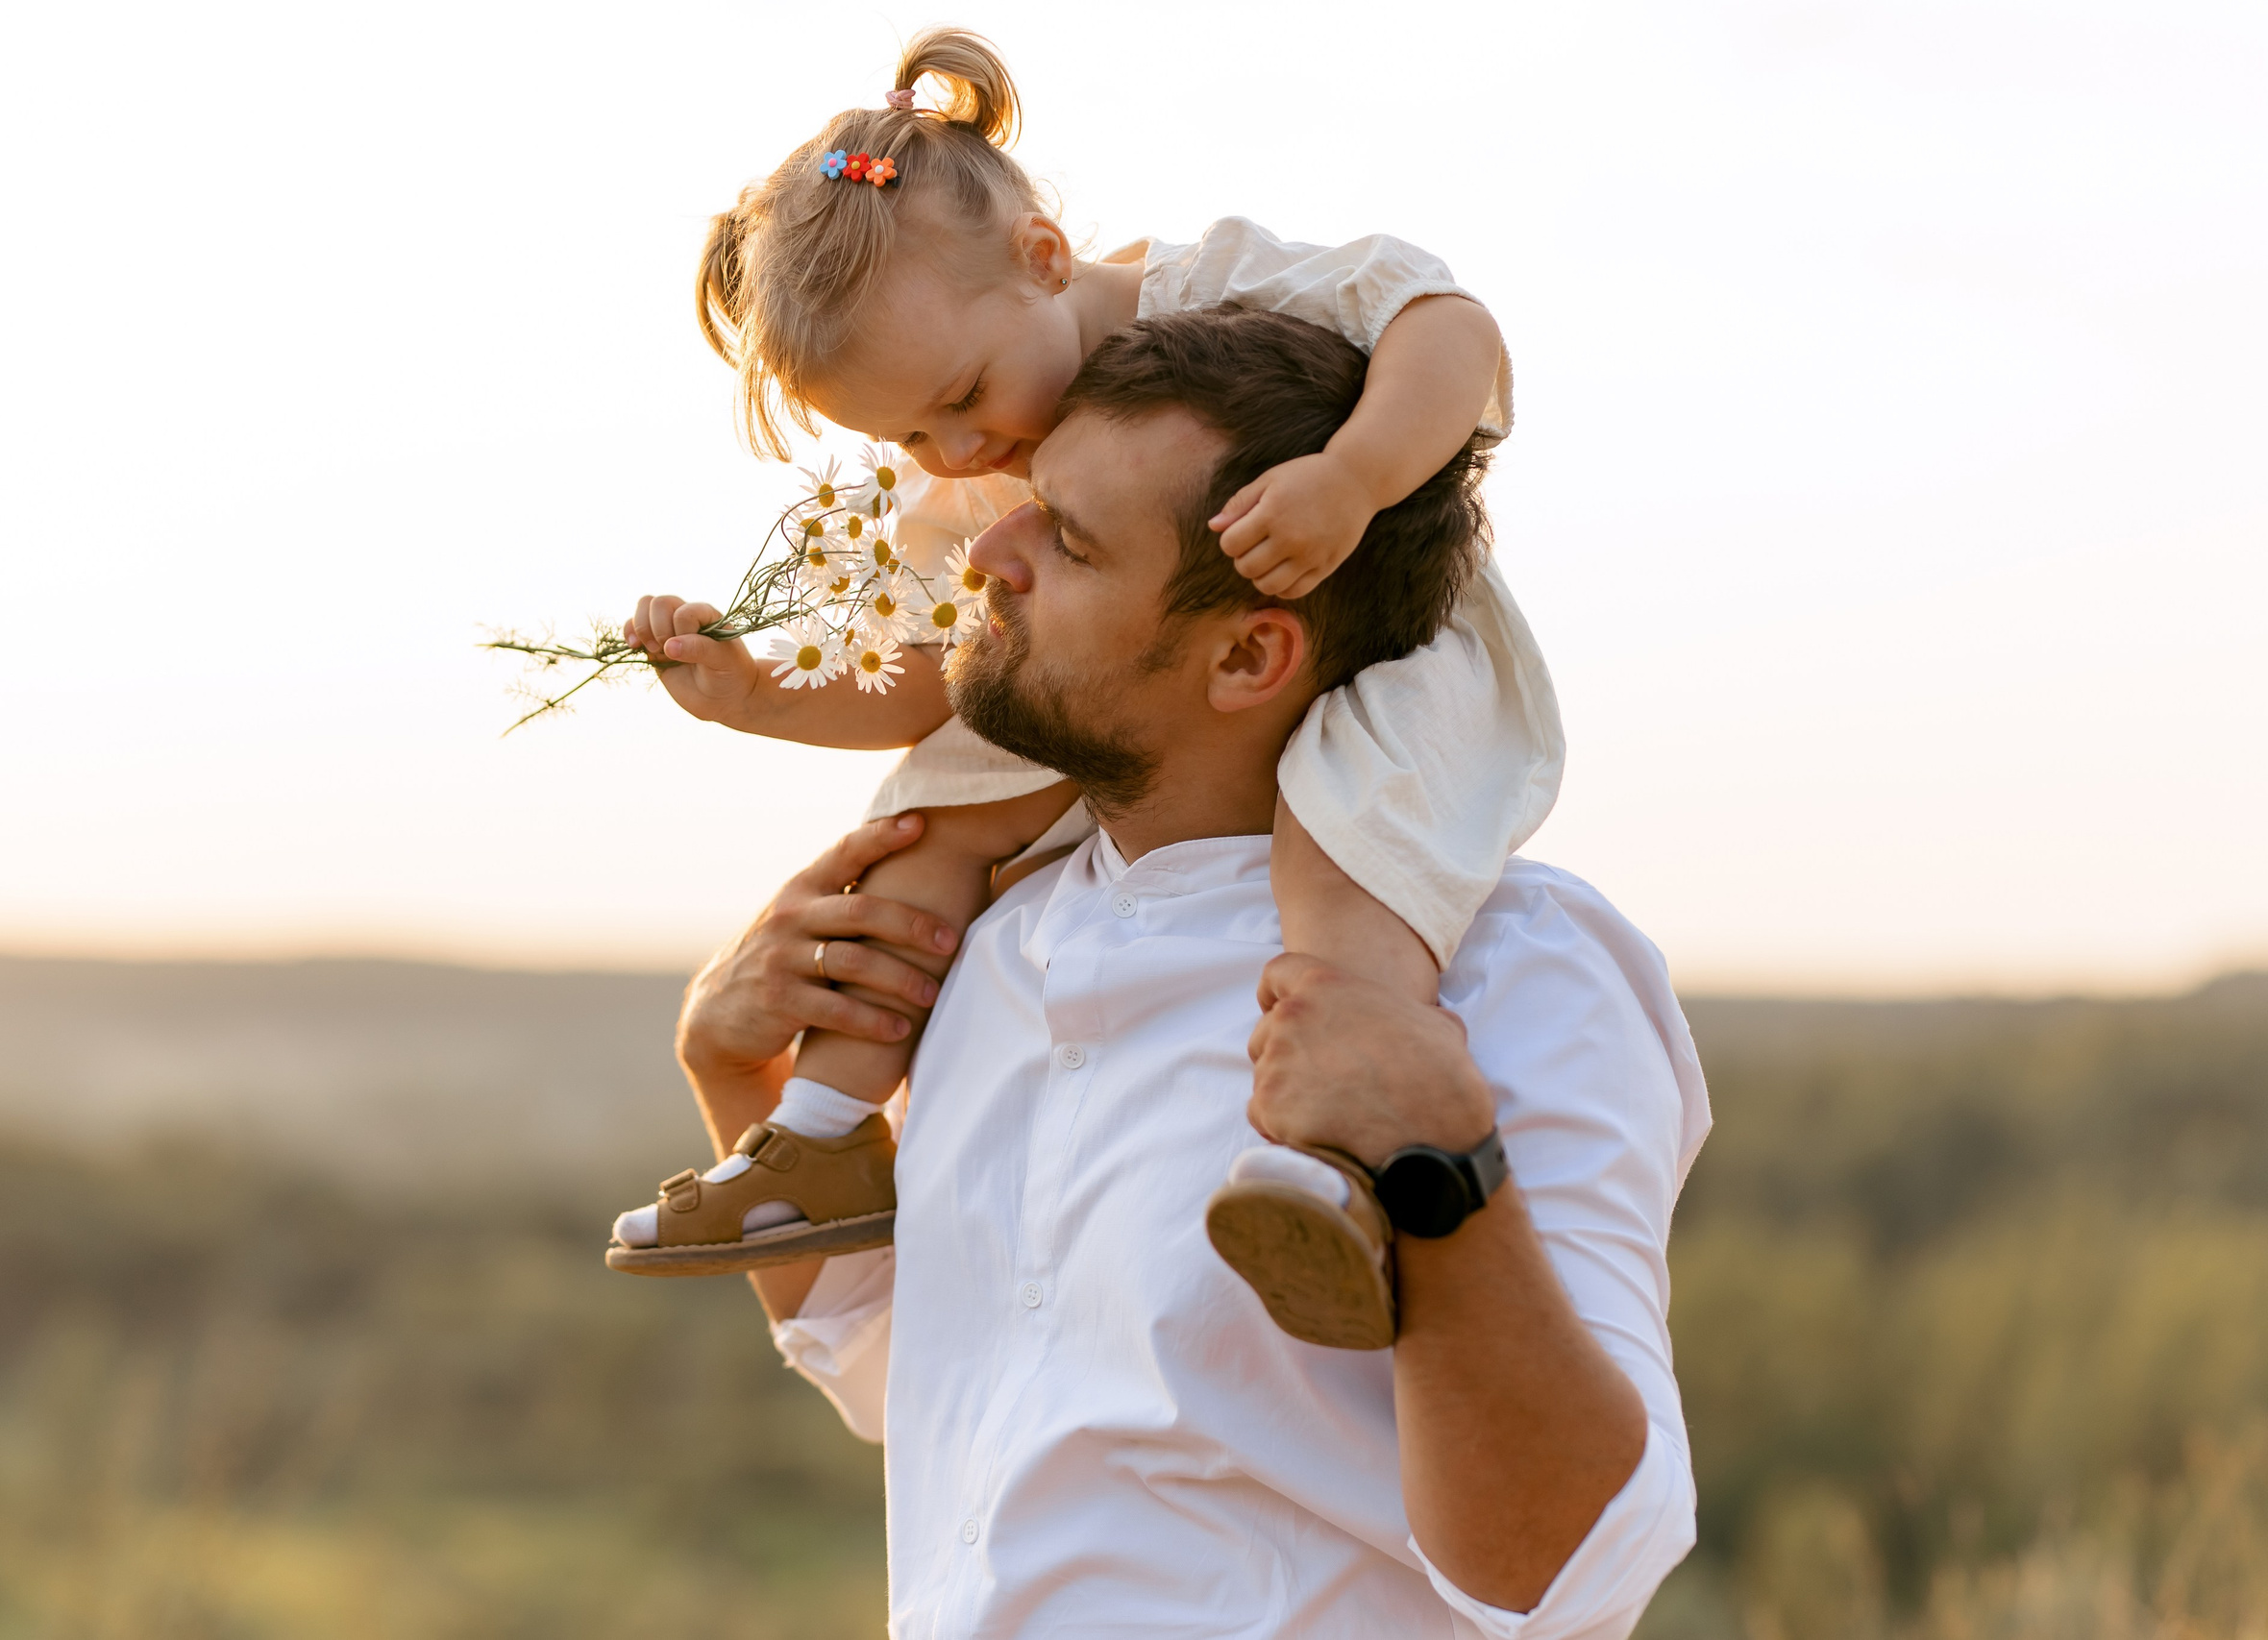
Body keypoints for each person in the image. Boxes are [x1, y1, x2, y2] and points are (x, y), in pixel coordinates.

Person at [659, 305, 1708, 1636]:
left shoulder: (1512, 974)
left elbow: (1574, 1569)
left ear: (1250, 653)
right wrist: (735, 1071)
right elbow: (910, 1373)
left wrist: (1442, 1171)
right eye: (1030, 504)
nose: (990, 551)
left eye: (1071, 540)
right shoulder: (995, 949)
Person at [608, 27, 1560, 1354]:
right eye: (906, 437)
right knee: (921, 825)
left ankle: (1326, 1152)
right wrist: (760, 695)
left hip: (1375, 642)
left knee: (1355, 852)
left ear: (1046, 262)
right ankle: (821, 1137)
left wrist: (1353, 475)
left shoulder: (1211, 289)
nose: (956, 448)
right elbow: (938, 680)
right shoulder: (980, 478)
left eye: (962, 397)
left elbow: (1443, 326)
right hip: (1124, 672)